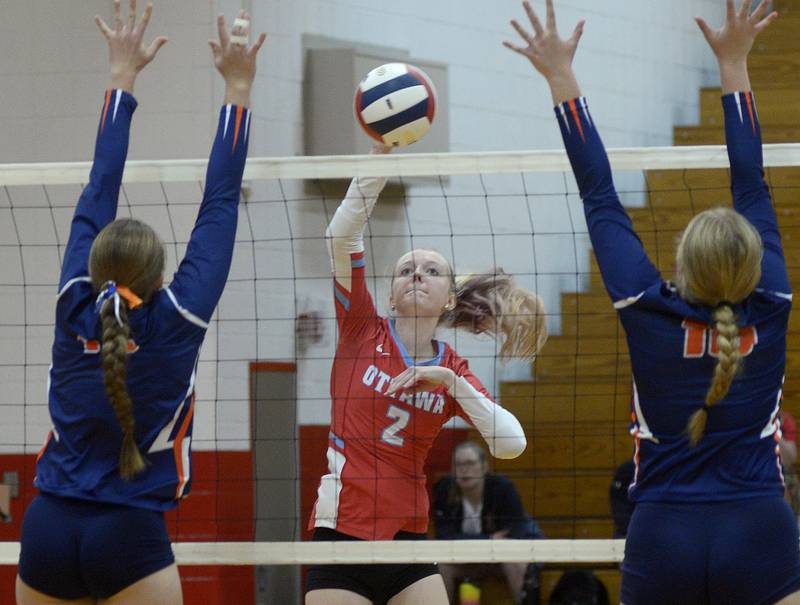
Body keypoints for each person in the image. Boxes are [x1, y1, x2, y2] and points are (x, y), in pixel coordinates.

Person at [505, 0, 800, 603]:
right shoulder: (772, 296)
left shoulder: (646, 305)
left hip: (665, 534)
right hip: (761, 529)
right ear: (750, 259)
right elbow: (752, 180)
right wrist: (736, 63)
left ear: (682, 264)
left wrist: (561, 77)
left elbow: (599, 193)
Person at [16, 2, 266, 603]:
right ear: (160, 277)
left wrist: (121, 75)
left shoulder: (73, 303)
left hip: (46, 526)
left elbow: (98, 183)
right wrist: (237, 85)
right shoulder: (177, 320)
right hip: (128, 532)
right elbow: (221, 201)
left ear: (94, 262)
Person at [304, 144, 548, 605]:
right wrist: (376, 161)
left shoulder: (452, 369)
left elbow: (511, 444)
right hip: (342, 536)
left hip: (408, 539)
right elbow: (341, 238)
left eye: (431, 271)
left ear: (449, 299)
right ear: (391, 298)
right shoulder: (361, 328)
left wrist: (450, 384)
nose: (416, 274)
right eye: (405, 270)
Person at [433, 440, 544, 605]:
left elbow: (516, 532)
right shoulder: (443, 489)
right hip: (467, 560)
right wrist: (489, 540)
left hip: (500, 559)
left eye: (470, 463)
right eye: (458, 464)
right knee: (440, 564)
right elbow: (444, 538)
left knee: (515, 560)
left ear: (484, 466)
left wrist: (471, 542)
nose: (464, 470)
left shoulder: (502, 488)